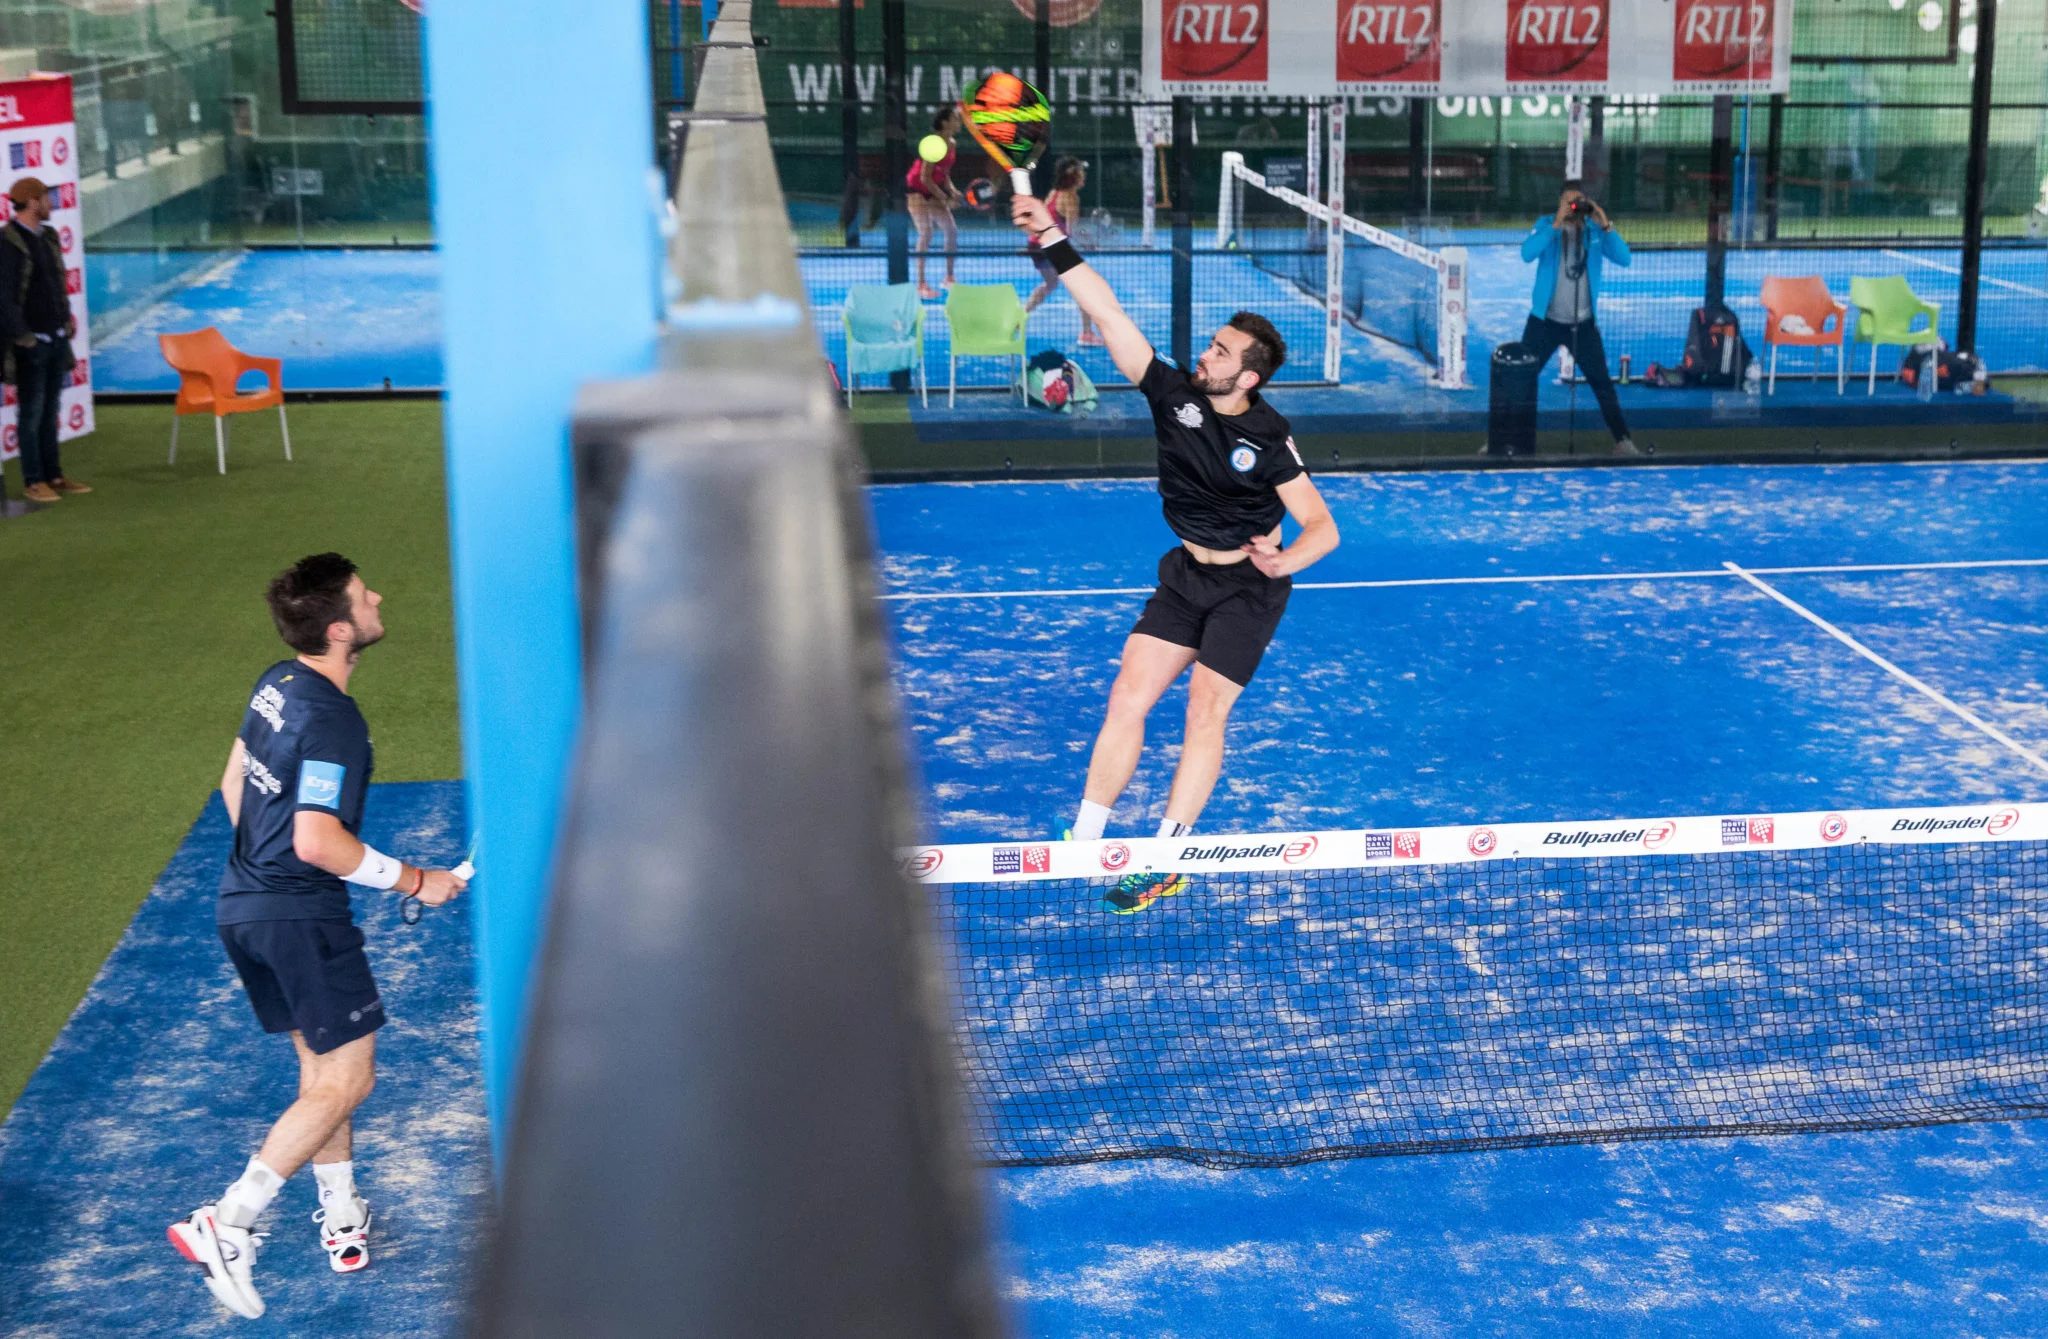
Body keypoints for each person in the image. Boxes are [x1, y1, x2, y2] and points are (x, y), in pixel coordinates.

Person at [1008, 191, 1340, 910]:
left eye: (1220, 352)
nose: (1205, 354)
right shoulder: (1172, 395)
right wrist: (1052, 236)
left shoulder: (1270, 438)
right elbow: (1108, 314)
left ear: (1247, 378)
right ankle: (1085, 838)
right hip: (1187, 576)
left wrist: (1286, 560)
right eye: (1212, 343)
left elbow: (1322, 526)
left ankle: (1165, 857)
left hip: (1247, 589)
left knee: (1203, 712)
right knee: (1128, 693)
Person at [168, 553, 467, 1319]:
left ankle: (340, 1209)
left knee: (322, 1066)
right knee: (350, 1079)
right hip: (299, 916)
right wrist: (415, 879)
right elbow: (317, 841)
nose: (378, 597)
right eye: (365, 596)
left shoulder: (275, 682)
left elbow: (235, 783)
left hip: (243, 907)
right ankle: (229, 1220)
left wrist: (264, 872)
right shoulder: (334, 720)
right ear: (340, 630)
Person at [1519, 181, 1638, 456]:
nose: (1574, 208)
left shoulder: (1595, 232)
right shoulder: (1546, 225)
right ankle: (1505, 439)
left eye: (1579, 202)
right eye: (1569, 202)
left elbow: (1624, 258)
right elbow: (1527, 253)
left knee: (1603, 385)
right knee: (1521, 380)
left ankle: (1622, 440)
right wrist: (1556, 223)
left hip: (1583, 324)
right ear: (1559, 203)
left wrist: (1605, 224)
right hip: (1545, 322)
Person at [0, 176, 88, 502]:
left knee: (50, 411)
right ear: (33, 202)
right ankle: (33, 480)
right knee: (32, 413)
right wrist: (25, 338)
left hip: (55, 337)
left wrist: (64, 320)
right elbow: (4, 297)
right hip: (32, 343)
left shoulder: (47, 236)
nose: (52, 203)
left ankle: (54, 475)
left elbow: (55, 282)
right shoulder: (7, 242)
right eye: (46, 198)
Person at [1023, 156, 1101, 347]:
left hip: (1035, 245)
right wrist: (1089, 243)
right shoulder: (1071, 197)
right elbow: (1073, 230)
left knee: (1050, 284)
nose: (1083, 175)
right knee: (1084, 287)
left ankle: (1020, 318)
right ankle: (1087, 334)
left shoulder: (1053, 193)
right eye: (1080, 172)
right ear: (1072, 176)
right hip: (1051, 247)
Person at [908, 108, 963, 300]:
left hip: (933, 189)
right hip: (917, 189)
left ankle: (949, 278)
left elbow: (944, 173)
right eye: (955, 118)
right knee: (926, 232)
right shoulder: (933, 144)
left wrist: (952, 190)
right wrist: (945, 198)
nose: (959, 121)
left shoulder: (952, 144)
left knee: (951, 230)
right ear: (945, 122)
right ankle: (921, 284)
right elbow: (925, 178)